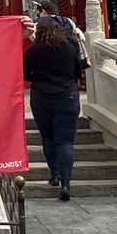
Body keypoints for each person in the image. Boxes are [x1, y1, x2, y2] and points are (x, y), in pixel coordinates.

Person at [24, 14, 84, 200]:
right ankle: (66, 183)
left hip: (42, 96)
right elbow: (77, 71)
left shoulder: (34, 51)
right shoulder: (69, 48)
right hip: (67, 96)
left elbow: (26, 73)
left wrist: (39, 81)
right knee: (65, 142)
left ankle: (55, 174)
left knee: (48, 137)